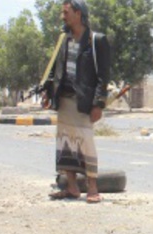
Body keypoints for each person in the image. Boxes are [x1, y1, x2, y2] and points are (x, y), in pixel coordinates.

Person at [47, 0, 110, 203]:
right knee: (65, 143)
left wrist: (98, 103)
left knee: (86, 143)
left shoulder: (96, 40)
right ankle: (72, 188)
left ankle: (92, 188)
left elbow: (103, 76)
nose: (63, 16)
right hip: (64, 99)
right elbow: (54, 70)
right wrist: (48, 92)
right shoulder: (63, 40)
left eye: (66, 12)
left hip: (83, 102)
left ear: (78, 13)